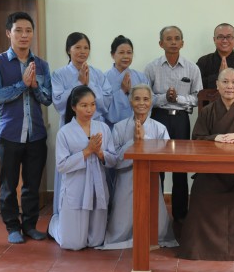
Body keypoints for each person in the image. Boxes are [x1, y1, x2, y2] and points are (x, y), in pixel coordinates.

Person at [179, 68, 234, 260]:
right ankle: (201, 247)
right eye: (225, 82)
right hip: (211, 175)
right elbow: (197, 138)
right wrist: (215, 138)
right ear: (217, 86)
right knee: (200, 192)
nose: (230, 86)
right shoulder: (208, 112)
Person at [0, 12, 52, 244]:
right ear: (8, 33)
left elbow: (47, 99)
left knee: (32, 185)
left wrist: (34, 87)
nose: (24, 35)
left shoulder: (41, 64)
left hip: (36, 134)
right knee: (8, 185)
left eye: (28, 31)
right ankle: (12, 227)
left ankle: (30, 226)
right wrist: (21, 85)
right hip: (10, 134)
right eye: (19, 30)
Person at [98, 84, 177, 249]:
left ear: (151, 102)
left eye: (146, 99)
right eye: (137, 99)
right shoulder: (119, 127)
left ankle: (153, 236)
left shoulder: (159, 128)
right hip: (126, 177)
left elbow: (167, 157)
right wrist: (133, 142)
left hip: (150, 178)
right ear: (130, 101)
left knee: (155, 218)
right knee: (121, 222)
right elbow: (113, 160)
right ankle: (123, 236)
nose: (142, 103)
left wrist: (144, 140)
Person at [144, 26, 203, 223]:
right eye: (168, 39)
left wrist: (177, 98)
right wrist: (164, 98)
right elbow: (146, 97)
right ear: (161, 43)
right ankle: (157, 212)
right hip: (158, 118)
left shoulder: (192, 68)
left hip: (181, 120)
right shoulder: (151, 68)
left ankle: (180, 213)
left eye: (177, 38)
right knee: (157, 166)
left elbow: (197, 98)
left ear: (182, 43)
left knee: (180, 165)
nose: (173, 42)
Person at [49, 86, 117, 250]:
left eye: (92, 104)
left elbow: (113, 160)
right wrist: (87, 151)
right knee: (74, 244)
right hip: (76, 190)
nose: (89, 110)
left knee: (95, 241)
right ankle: (55, 225)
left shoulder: (103, 128)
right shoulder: (64, 132)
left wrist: (100, 153)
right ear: (74, 107)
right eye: (84, 105)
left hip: (97, 189)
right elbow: (62, 165)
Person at [51, 32, 111, 220]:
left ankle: (96, 216)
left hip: (94, 126)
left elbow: (106, 103)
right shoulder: (59, 74)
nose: (82, 51)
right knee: (71, 171)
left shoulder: (98, 74)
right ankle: (65, 217)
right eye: (77, 47)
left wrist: (89, 85)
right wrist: (79, 83)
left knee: (97, 172)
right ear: (68, 50)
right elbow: (58, 102)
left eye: (86, 47)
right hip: (72, 128)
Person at [196, 23, 234, 94]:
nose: (225, 40)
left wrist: (231, 80)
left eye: (229, 37)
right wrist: (218, 76)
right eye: (220, 37)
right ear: (214, 39)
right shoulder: (203, 61)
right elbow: (196, 86)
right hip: (208, 101)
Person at [105, 35, 149, 129]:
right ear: (113, 54)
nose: (126, 56)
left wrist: (132, 93)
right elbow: (102, 106)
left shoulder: (141, 77)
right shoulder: (104, 78)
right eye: (121, 52)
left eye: (129, 52)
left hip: (137, 126)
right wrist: (122, 92)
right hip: (111, 128)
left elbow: (148, 103)